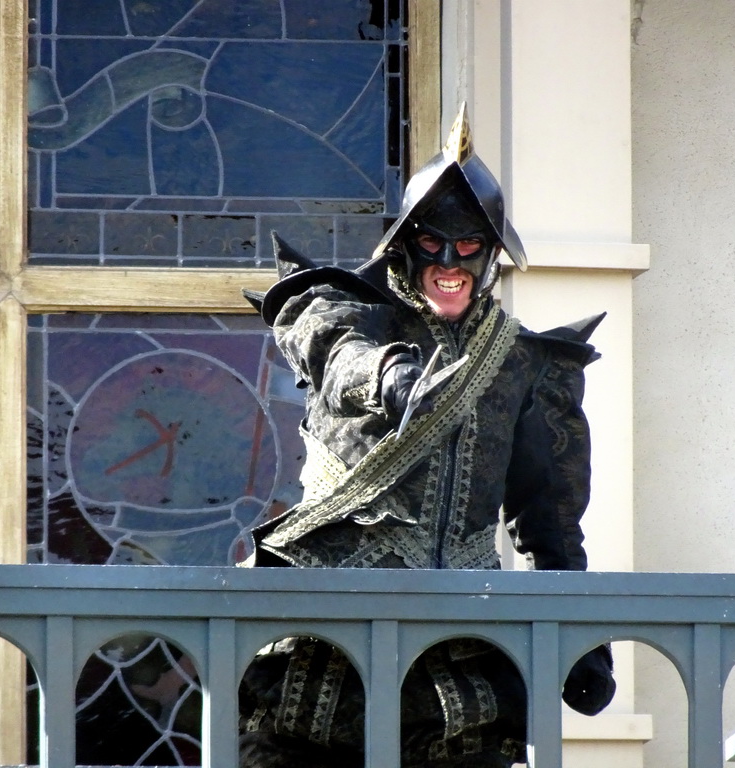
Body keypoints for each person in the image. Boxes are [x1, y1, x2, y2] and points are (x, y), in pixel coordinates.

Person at [238, 105, 615, 768]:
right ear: (406, 247)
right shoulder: (343, 309)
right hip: (322, 663)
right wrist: (390, 379)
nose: (449, 260)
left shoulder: (529, 366)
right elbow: (331, 352)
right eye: (433, 243)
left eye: (468, 246)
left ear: (492, 256)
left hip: (460, 677)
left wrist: (585, 639)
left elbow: (549, 521)